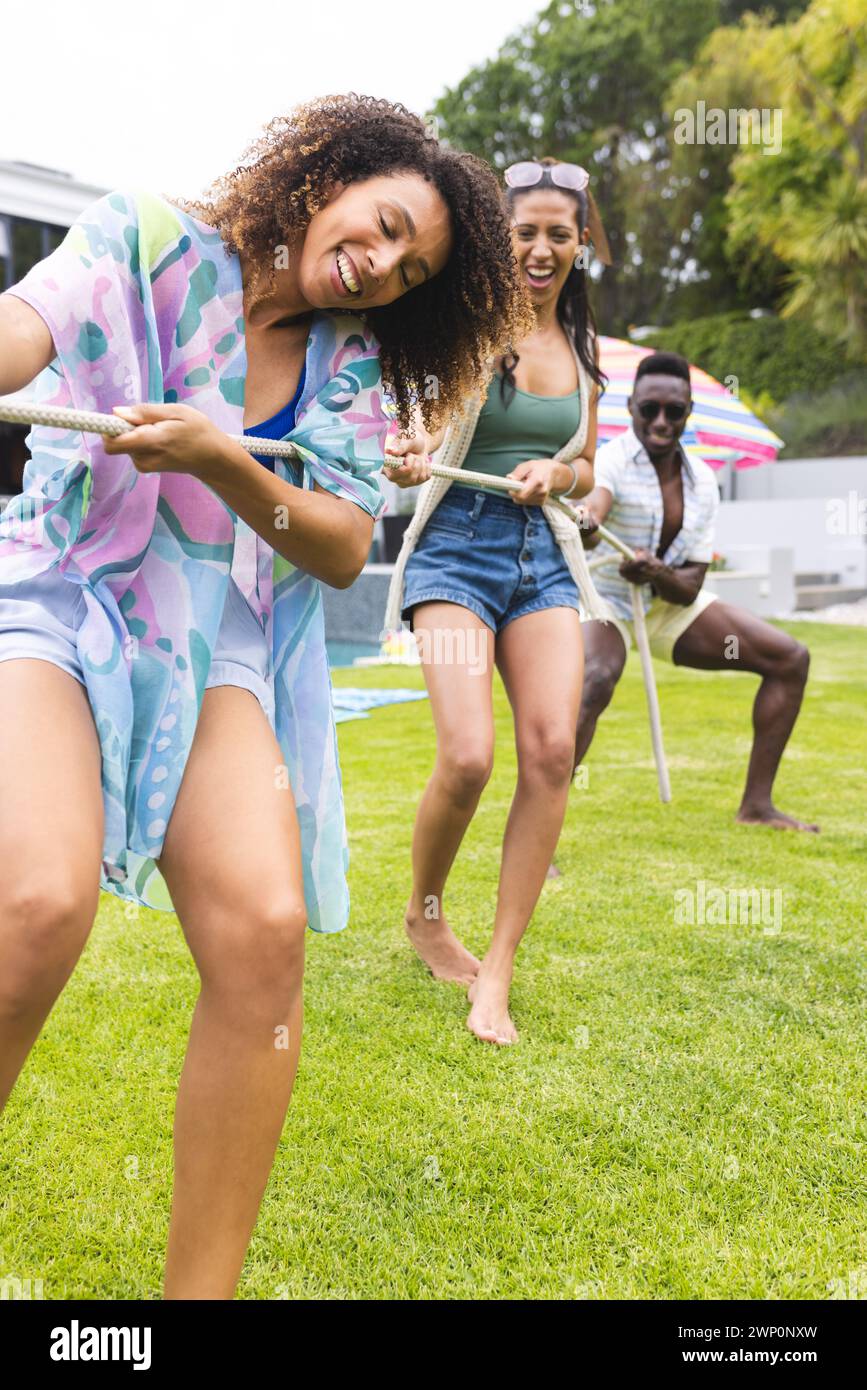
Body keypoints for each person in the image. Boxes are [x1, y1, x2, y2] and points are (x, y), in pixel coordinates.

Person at [0, 94, 532, 1299]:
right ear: (330, 174)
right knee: (33, 900)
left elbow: (343, 543)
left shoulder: (347, 364)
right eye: (387, 224)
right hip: (60, 593)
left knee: (264, 936)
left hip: (217, 637)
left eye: (410, 272)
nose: (383, 267)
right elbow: (20, 337)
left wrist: (223, 456)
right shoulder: (142, 240)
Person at [383, 158, 612, 1047]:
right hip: (454, 556)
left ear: (579, 245)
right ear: (500, 239)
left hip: (539, 562)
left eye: (559, 232)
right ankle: (425, 914)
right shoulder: (467, 332)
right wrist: (410, 449)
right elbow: (423, 427)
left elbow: (587, 463)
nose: (541, 247)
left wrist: (560, 470)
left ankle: (499, 973)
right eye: (525, 231)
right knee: (469, 757)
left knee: (551, 749)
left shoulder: (587, 357)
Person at [574, 350, 817, 832]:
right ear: (631, 409)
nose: (661, 421)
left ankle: (757, 807)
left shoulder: (703, 482)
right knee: (596, 678)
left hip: (668, 603)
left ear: (688, 411)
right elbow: (594, 508)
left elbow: (688, 588)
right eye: (649, 409)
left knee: (791, 659)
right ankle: (540, 836)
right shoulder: (612, 461)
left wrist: (658, 573)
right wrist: (589, 521)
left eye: (674, 411)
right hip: (606, 603)